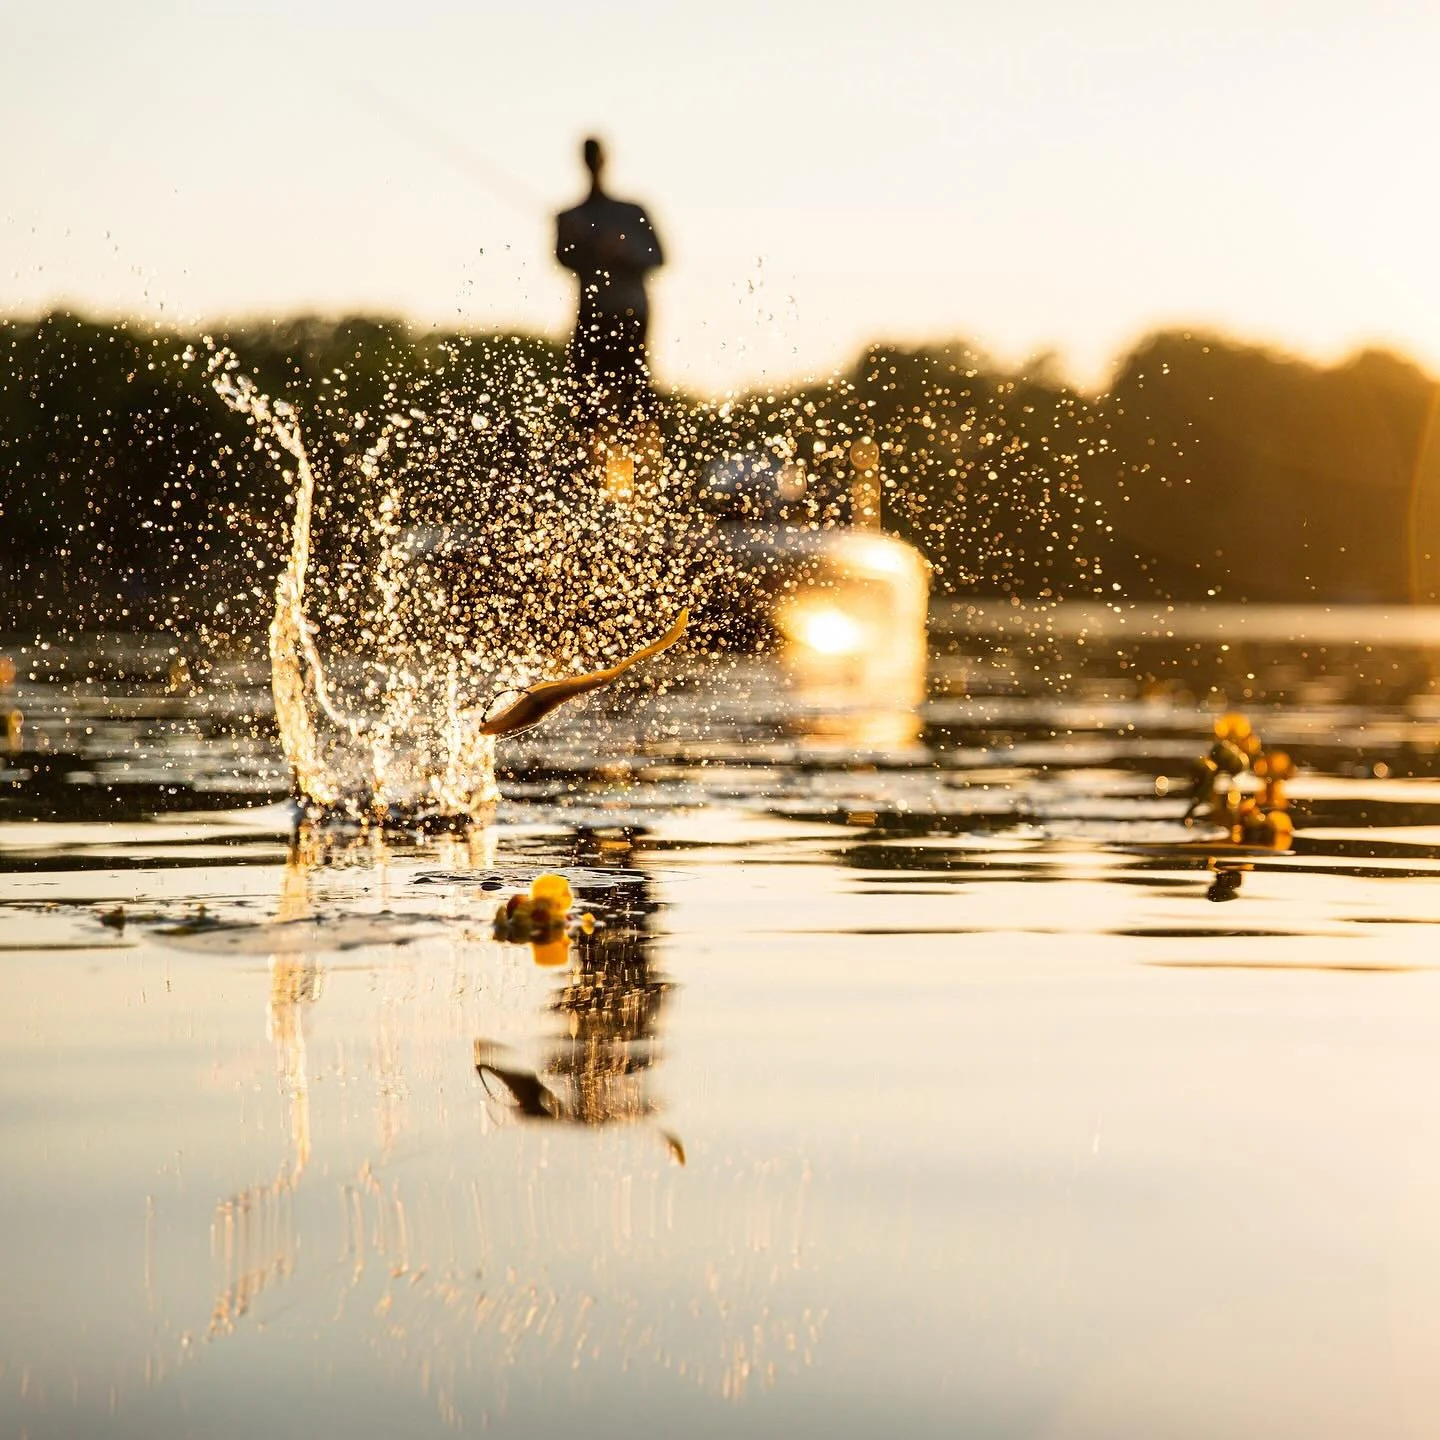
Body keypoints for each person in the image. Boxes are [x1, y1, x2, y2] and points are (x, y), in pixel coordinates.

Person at [555, 137, 665, 439]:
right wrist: (580, 243)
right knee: (585, 396)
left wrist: (622, 249)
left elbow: (658, 256)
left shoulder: (632, 212)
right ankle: (588, 469)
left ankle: (640, 466)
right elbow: (563, 258)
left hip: (630, 314)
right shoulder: (570, 217)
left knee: (635, 392)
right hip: (593, 314)